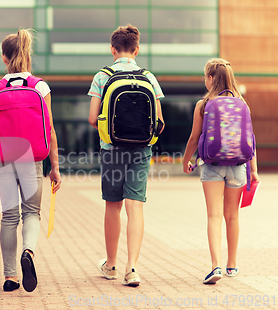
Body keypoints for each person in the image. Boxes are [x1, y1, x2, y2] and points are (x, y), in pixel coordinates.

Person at [88, 24, 165, 287]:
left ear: (112, 49)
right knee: (135, 206)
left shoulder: (102, 76)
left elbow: (91, 118)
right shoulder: (149, 77)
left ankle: (110, 265)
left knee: (113, 205)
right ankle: (132, 269)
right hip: (141, 150)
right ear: (137, 49)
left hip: (112, 149)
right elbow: (159, 121)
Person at [0, 28, 62, 292]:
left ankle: (10, 277)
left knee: (9, 217)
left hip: (4, 160)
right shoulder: (40, 87)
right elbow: (50, 129)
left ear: (4, 59)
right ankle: (28, 252)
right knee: (32, 212)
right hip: (33, 159)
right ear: (27, 55)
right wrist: (55, 168)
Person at [182, 58, 259, 284]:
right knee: (233, 216)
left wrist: (186, 160)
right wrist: (253, 170)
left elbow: (194, 138)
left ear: (211, 78)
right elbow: (250, 139)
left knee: (214, 216)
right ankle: (232, 265)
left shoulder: (204, 104)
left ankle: (215, 266)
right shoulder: (242, 103)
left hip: (212, 166)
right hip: (238, 166)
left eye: (206, 76)